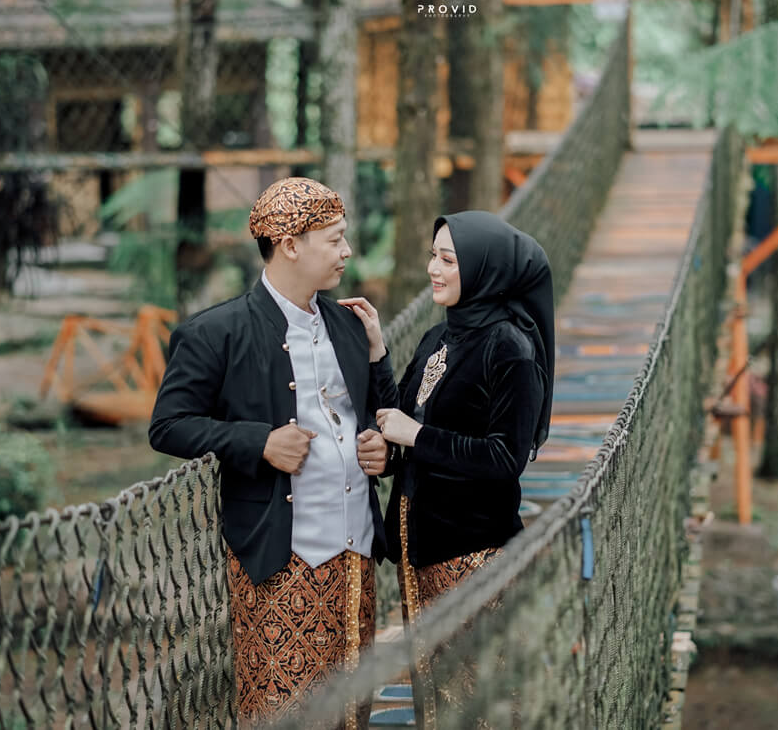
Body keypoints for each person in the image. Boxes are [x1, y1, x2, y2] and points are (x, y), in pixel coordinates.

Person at [148, 177, 396, 728]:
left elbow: (380, 415)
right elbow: (167, 426)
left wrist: (382, 448)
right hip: (279, 558)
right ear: (290, 245)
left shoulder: (350, 324)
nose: (347, 251)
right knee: (281, 712)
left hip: (356, 555)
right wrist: (258, 441)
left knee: (352, 711)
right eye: (334, 239)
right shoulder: (215, 332)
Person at [363, 210, 555, 727]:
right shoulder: (438, 339)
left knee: (482, 703)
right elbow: (401, 419)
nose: (433, 268)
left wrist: (416, 436)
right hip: (420, 552)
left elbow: (504, 458)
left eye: (448, 260)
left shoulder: (511, 349)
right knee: (435, 698)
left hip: (475, 556)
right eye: (433, 256)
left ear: (484, 269)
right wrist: (378, 351)